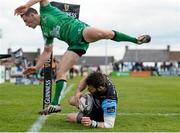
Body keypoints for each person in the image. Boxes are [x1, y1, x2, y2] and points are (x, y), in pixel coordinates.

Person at [14, 0, 151, 114]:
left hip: (81, 31)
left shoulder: (45, 10)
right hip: (75, 46)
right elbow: (47, 51)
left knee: (104, 34)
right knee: (61, 72)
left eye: (26, 20)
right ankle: (55, 105)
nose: (26, 24)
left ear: (33, 14)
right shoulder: (45, 32)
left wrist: (26, 5)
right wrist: (37, 67)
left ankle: (136, 40)